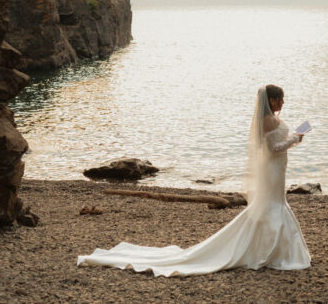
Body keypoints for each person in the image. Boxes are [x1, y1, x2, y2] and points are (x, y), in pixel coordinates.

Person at [76, 85, 311, 276]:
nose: (283, 102)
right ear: (271, 100)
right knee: (271, 207)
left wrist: (293, 138)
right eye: (281, 99)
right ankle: (270, 252)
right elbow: (273, 147)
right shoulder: (268, 122)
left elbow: (276, 145)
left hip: (277, 169)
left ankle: (272, 250)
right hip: (272, 169)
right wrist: (295, 138)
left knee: (274, 205)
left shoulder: (272, 120)